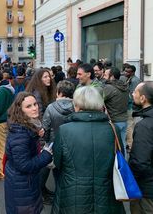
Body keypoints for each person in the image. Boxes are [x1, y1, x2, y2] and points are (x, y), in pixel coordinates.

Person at [52, 86, 125, 214]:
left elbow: (58, 163)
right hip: (106, 191)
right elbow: (120, 158)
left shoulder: (65, 130)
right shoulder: (113, 129)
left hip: (73, 191)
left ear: (77, 105)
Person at [4, 92, 53, 214]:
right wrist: (46, 154)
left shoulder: (26, 125)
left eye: (35, 104)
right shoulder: (20, 133)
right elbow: (24, 165)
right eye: (29, 106)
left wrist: (36, 135)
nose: (34, 108)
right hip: (22, 185)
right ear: (20, 111)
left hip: (24, 182)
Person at [129, 81, 153, 214]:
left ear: (143, 98)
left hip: (146, 188)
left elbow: (140, 161)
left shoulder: (144, 125)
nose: (133, 94)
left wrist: (130, 180)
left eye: (135, 92)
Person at [103, 67, 129, 155]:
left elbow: (98, 100)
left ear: (112, 76)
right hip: (124, 120)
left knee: (113, 148)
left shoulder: (109, 88)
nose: (104, 77)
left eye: (106, 75)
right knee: (123, 145)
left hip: (114, 122)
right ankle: (124, 166)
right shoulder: (124, 86)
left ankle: (116, 167)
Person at [124, 64, 141, 150]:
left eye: (128, 71)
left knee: (130, 125)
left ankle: (130, 144)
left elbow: (134, 95)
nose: (125, 73)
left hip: (132, 106)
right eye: (125, 71)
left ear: (133, 72)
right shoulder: (130, 79)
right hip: (130, 106)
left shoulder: (135, 81)